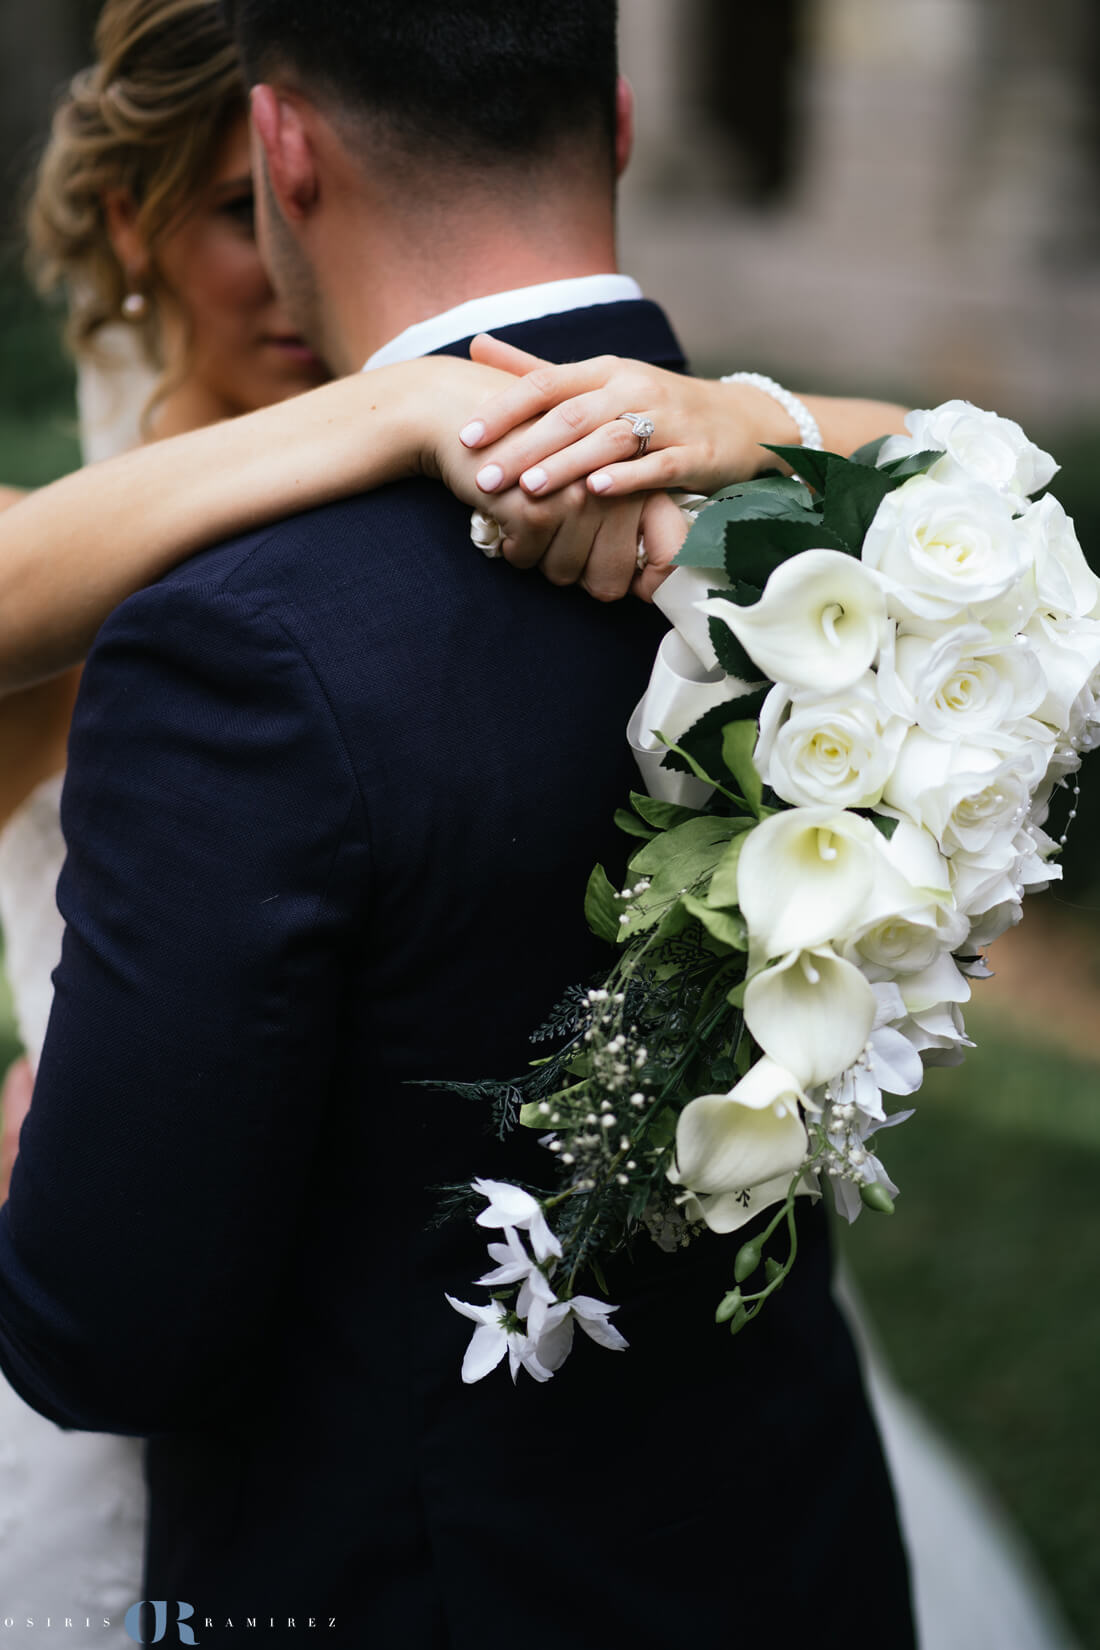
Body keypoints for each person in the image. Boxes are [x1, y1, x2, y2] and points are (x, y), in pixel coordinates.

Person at [0, 2, 916, 1644]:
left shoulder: (252, 640)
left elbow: (107, 1326)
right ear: (620, 123)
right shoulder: (868, 562)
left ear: (287, 151)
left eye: (245, 196)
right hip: (774, 1539)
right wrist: (389, 409)